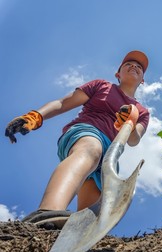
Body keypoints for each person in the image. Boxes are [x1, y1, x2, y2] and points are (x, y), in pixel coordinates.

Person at [5, 50, 150, 226]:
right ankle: (46, 214)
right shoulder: (102, 86)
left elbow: (134, 140)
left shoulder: (142, 112)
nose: (134, 66)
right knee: (91, 150)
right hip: (86, 134)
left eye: (139, 67)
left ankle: (67, 241)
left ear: (142, 80)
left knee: (89, 219)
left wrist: (130, 122)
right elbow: (63, 103)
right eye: (128, 64)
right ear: (118, 74)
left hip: (109, 157)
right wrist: (36, 116)